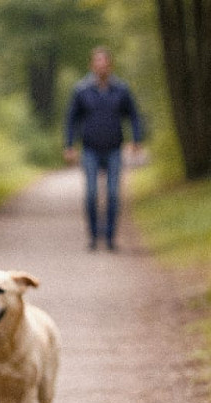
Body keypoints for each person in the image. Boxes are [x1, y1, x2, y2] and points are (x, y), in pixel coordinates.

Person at [63, 46, 143, 251]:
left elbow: (133, 115)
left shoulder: (121, 90)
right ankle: (93, 236)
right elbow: (71, 119)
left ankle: (109, 237)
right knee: (91, 194)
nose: (101, 66)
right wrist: (69, 145)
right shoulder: (82, 90)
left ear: (110, 65)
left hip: (114, 149)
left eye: (105, 63)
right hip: (90, 150)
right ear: (92, 65)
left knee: (113, 194)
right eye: (97, 63)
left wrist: (136, 139)